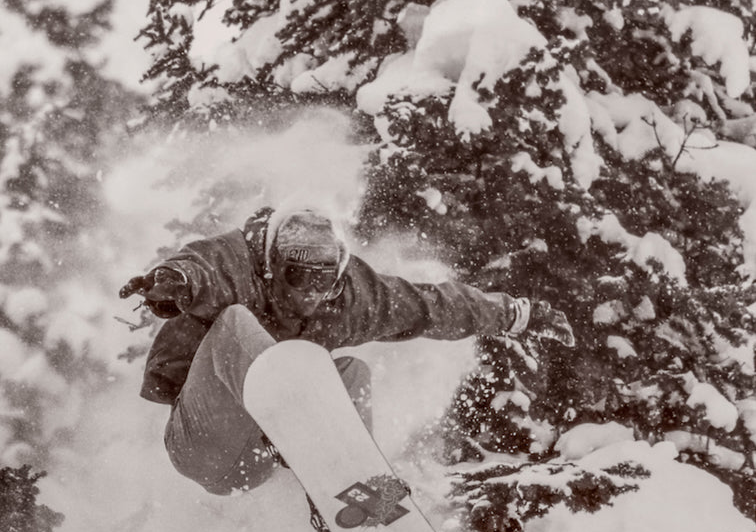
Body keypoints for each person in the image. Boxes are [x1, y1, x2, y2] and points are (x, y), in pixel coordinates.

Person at [120, 205, 574, 502]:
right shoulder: (241, 265)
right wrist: (176, 281)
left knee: (349, 372)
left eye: (326, 280)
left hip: (259, 457)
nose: (313, 295)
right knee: (238, 323)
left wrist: (514, 314)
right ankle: (312, 453)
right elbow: (203, 266)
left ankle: (349, 493)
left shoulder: (350, 299)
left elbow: (429, 305)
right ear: (274, 266)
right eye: (300, 277)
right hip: (204, 441)